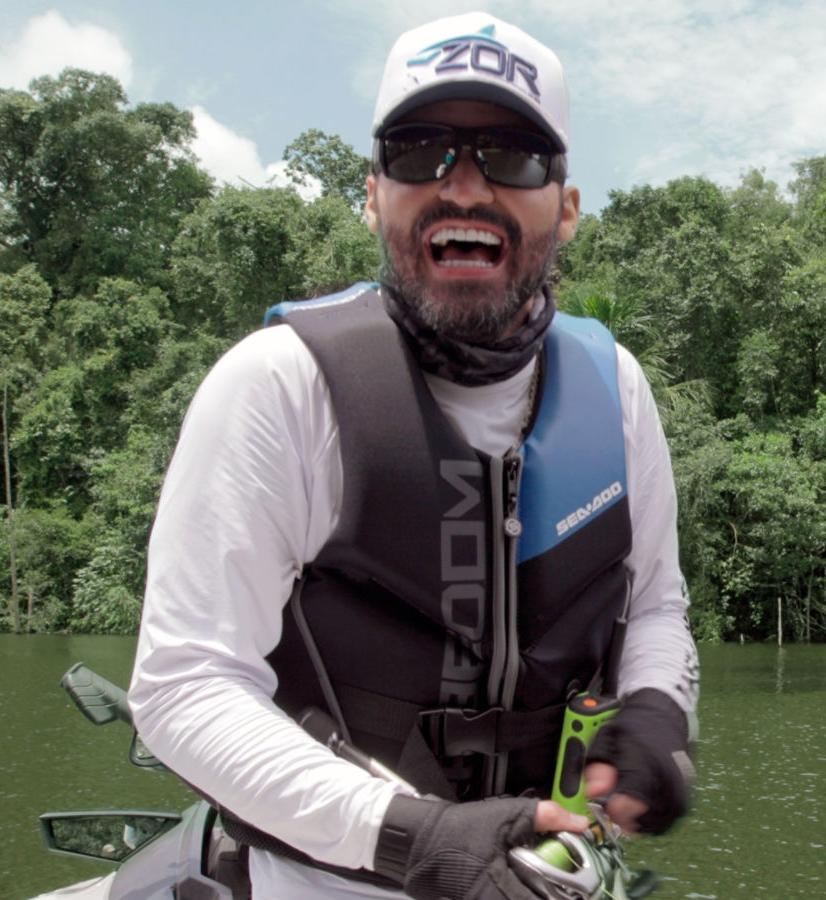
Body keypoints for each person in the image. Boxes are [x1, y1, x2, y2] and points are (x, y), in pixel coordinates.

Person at [129, 12, 699, 899]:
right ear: (372, 195)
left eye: (512, 154)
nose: (463, 187)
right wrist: (414, 840)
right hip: (323, 877)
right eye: (419, 150)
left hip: (547, 873)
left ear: (568, 207)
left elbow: (655, 602)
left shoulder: (617, 390)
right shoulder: (279, 386)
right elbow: (184, 685)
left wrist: (661, 712)